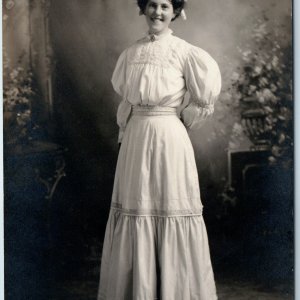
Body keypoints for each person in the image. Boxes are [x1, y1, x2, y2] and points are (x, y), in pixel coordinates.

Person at [98, 0, 221, 299]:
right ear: (143, 8)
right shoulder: (131, 54)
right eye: (152, 4)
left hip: (169, 137)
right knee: (136, 207)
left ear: (175, 11)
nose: (158, 12)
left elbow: (203, 101)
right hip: (137, 138)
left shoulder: (186, 52)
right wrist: (125, 134)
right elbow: (127, 103)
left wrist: (180, 120)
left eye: (165, 5)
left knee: (171, 206)